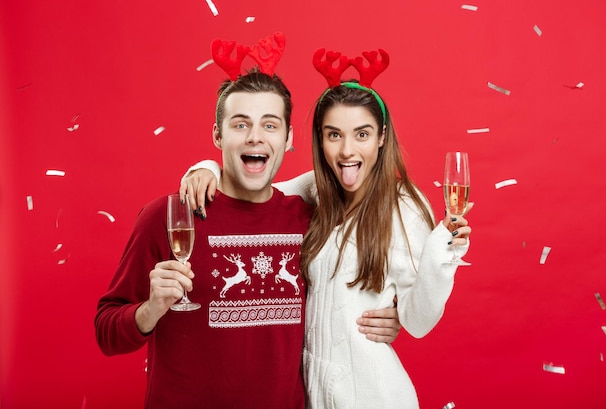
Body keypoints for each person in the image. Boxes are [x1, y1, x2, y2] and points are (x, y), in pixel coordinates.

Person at [95, 34, 399, 409]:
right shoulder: (169, 216)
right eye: (240, 125)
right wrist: (150, 309)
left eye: (270, 125)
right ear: (217, 135)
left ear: (288, 138)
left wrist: (393, 313)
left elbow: (339, 301)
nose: (256, 137)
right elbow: (107, 332)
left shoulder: (309, 220)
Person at [181, 47, 473, 409]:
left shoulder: (404, 207)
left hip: (374, 397)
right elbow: (252, 190)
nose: (347, 151)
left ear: (382, 137)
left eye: (361, 134)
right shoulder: (319, 190)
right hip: (315, 396)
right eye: (334, 135)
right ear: (320, 139)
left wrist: (439, 258)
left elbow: (418, 322)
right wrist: (206, 167)